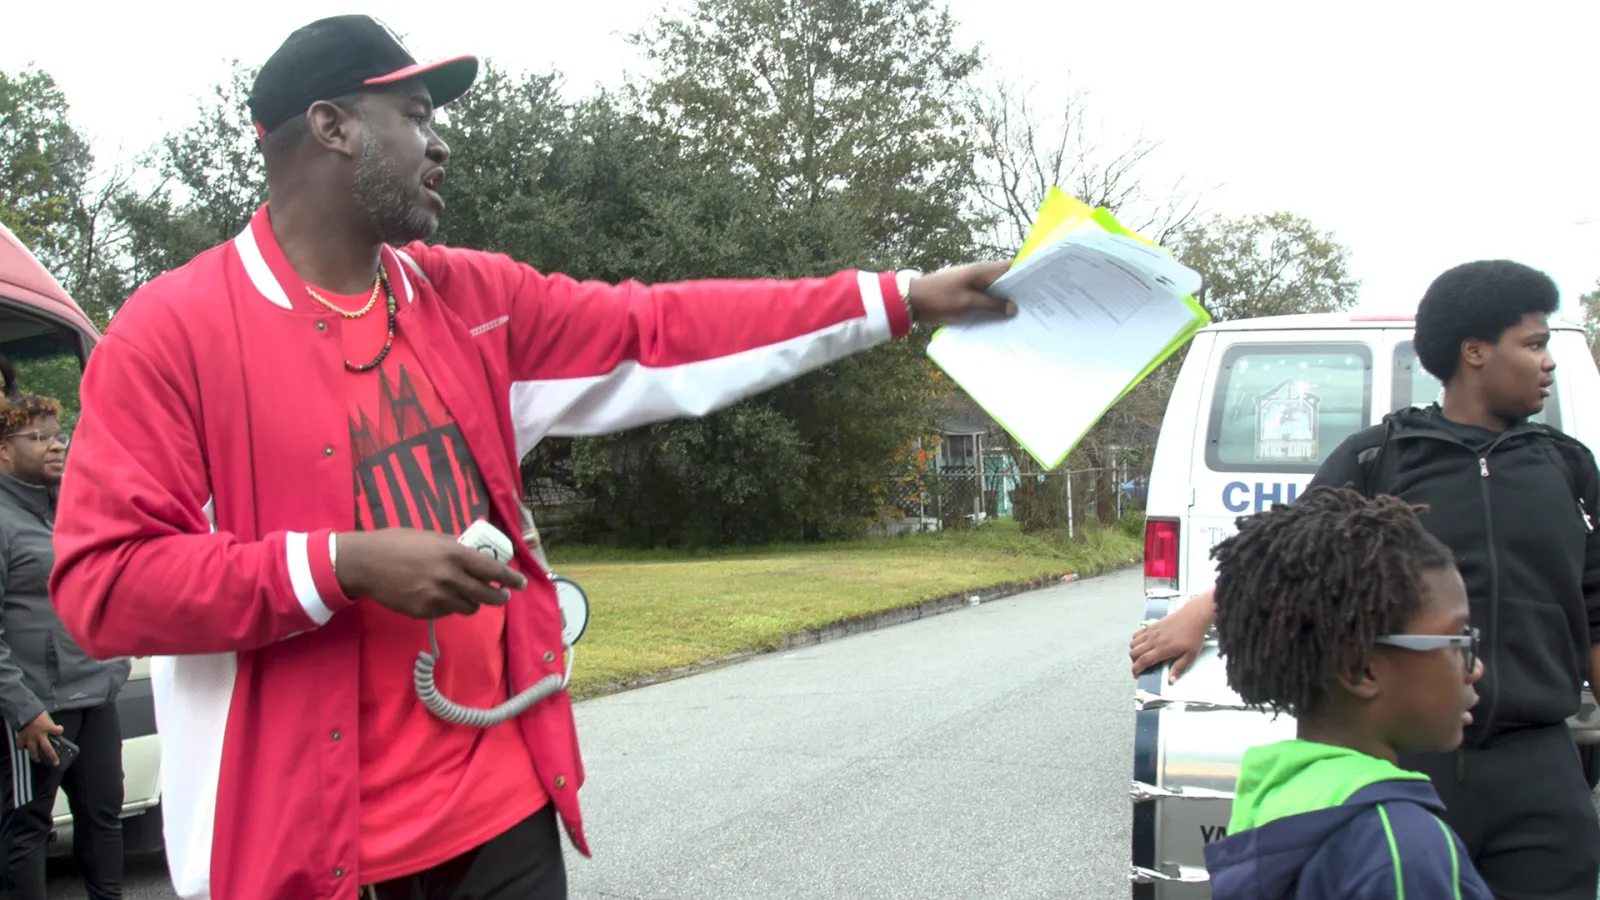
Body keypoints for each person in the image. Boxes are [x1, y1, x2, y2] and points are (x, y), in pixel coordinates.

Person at [45, 14, 1015, 900]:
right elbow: (103, 585)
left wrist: (897, 300)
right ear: (333, 127)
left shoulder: (471, 299)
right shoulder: (168, 334)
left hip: (500, 803)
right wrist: (341, 565)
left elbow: (663, 327)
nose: (441, 142)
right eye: (416, 115)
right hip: (305, 849)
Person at [1132, 259, 1600, 899]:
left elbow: (1596, 611)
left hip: (1542, 765)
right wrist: (1201, 609)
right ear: (1475, 352)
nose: (1547, 362)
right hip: (1415, 758)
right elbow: (1290, 553)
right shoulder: (1382, 455)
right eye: (1534, 344)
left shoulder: (1568, 470)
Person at [1199, 486, 1490, 899]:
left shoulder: (1281, 795)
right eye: (1456, 640)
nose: (1474, 667)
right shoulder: (1400, 848)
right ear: (1361, 669)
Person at [0, 394, 127, 900]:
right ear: (3, 451)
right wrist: (23, 710)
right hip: (38, 711)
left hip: (97, 692)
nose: (56, 446)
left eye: (59, 435)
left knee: (105, 820)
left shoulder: (73, 508)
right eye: (39, 438)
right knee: (28, 829)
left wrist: (114, 664)